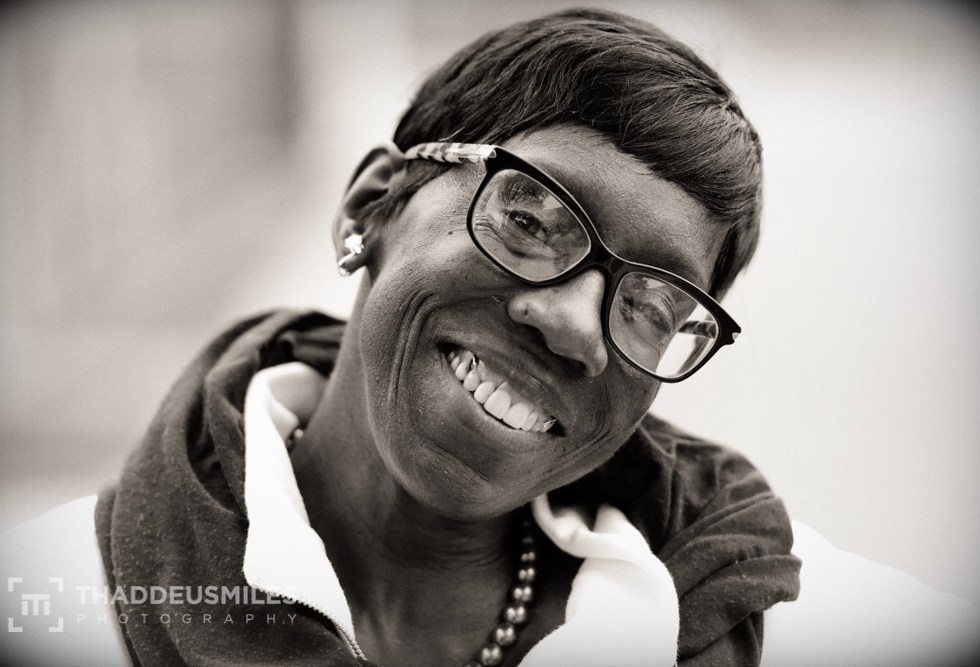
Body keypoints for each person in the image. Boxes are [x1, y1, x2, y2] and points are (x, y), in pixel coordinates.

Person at [1, 7, 977, 667]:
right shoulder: (52, 599)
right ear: (373, 204)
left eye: (650, 305)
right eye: (531, 218)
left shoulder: (781, 616)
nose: (573, 325)